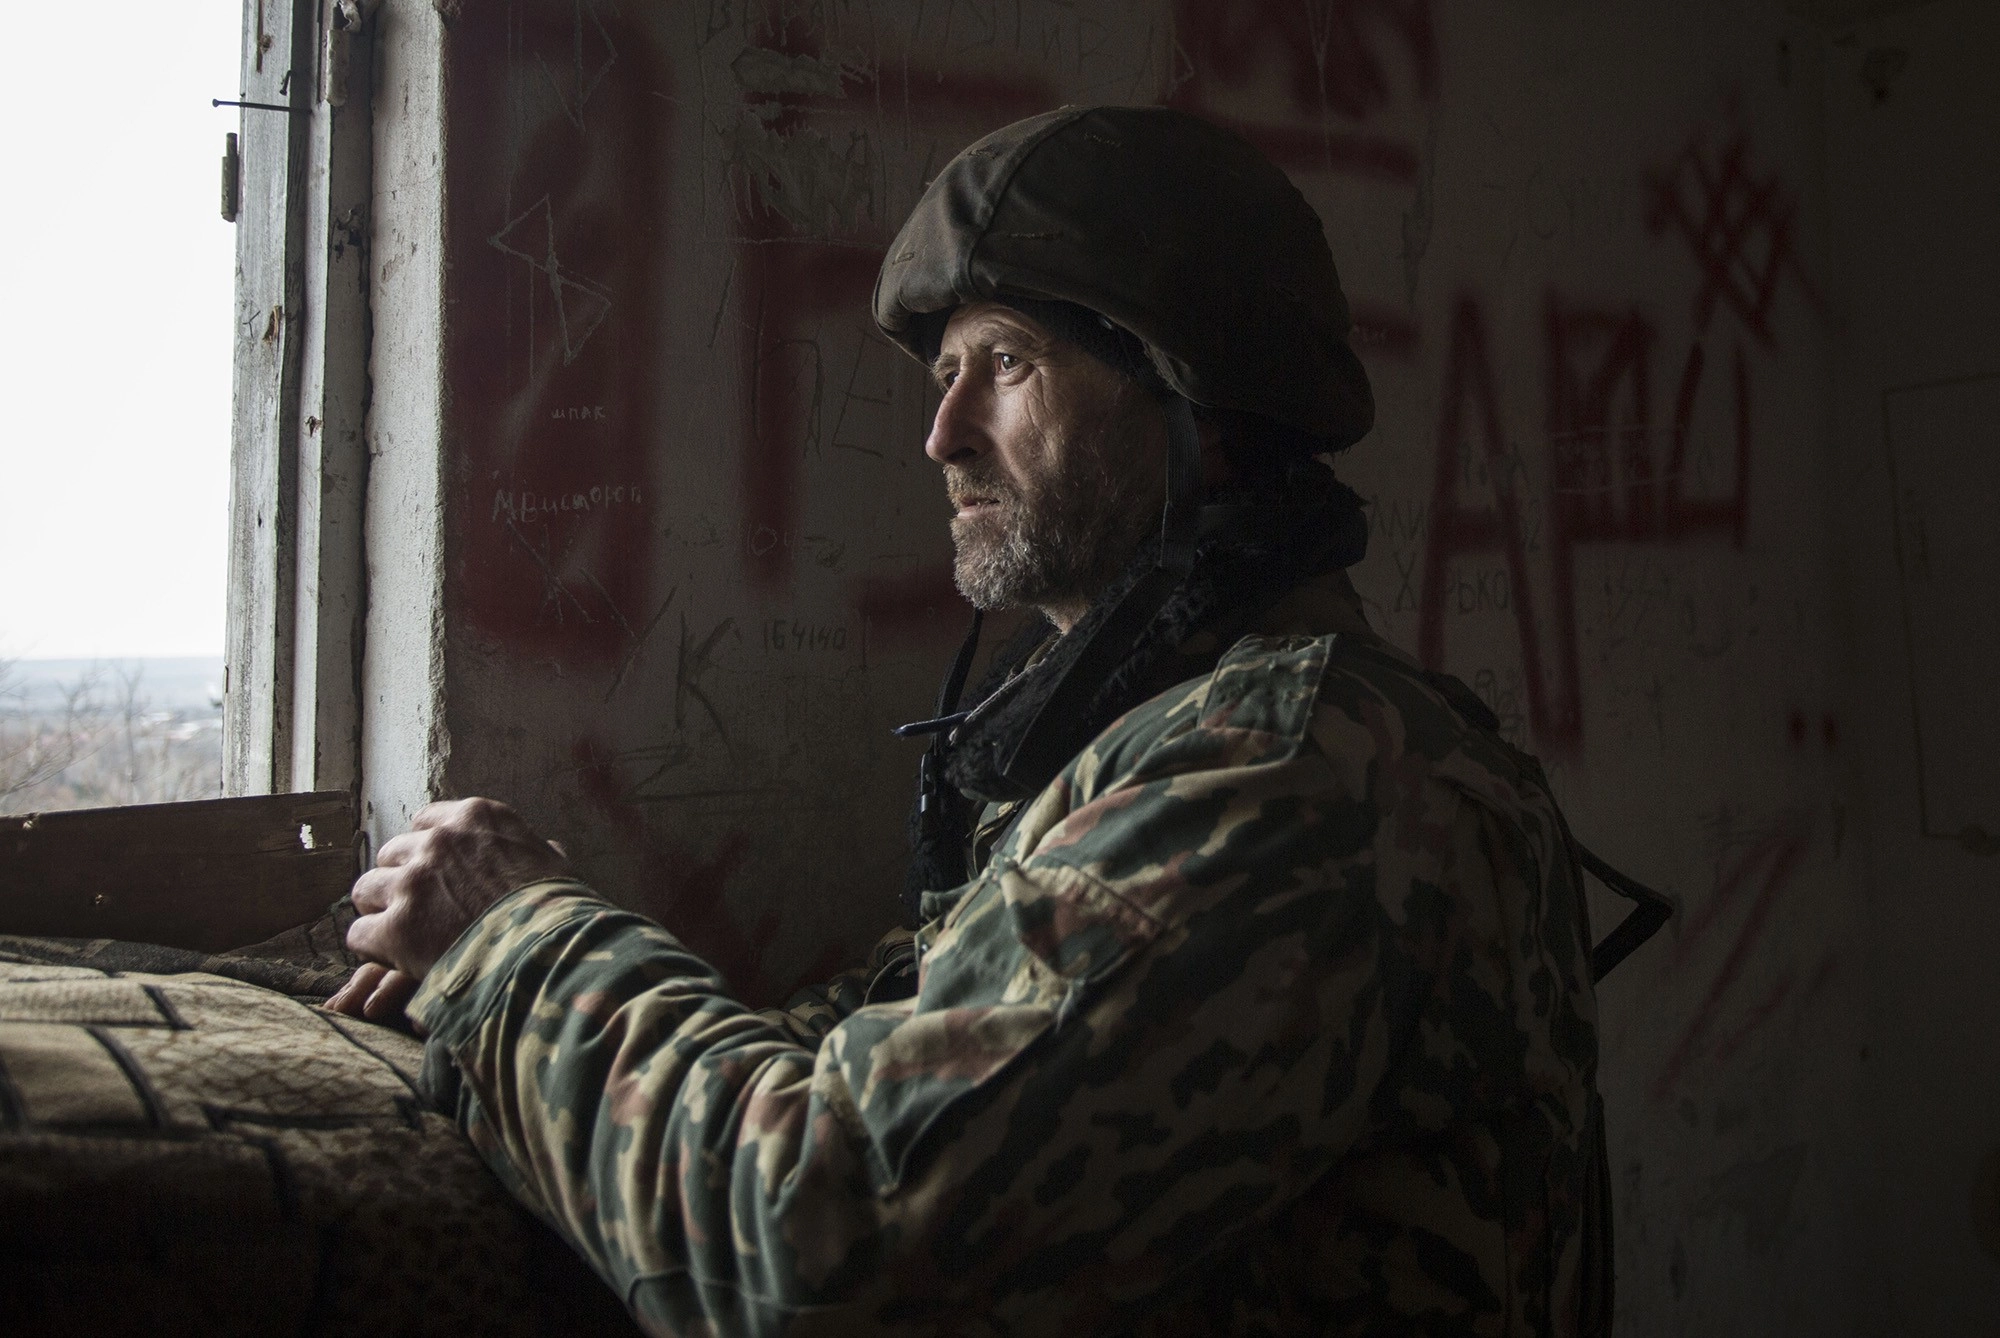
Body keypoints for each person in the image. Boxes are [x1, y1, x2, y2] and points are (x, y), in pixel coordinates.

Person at [328, 105, 1608, 1337]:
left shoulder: (1273, 786)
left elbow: (819, 1247)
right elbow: (889, 1055)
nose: (942, 434)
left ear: (1195, 408)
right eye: (944, 376)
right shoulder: (1170, 743)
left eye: (1006, 363)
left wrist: (514, 934)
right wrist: (481, 1009)